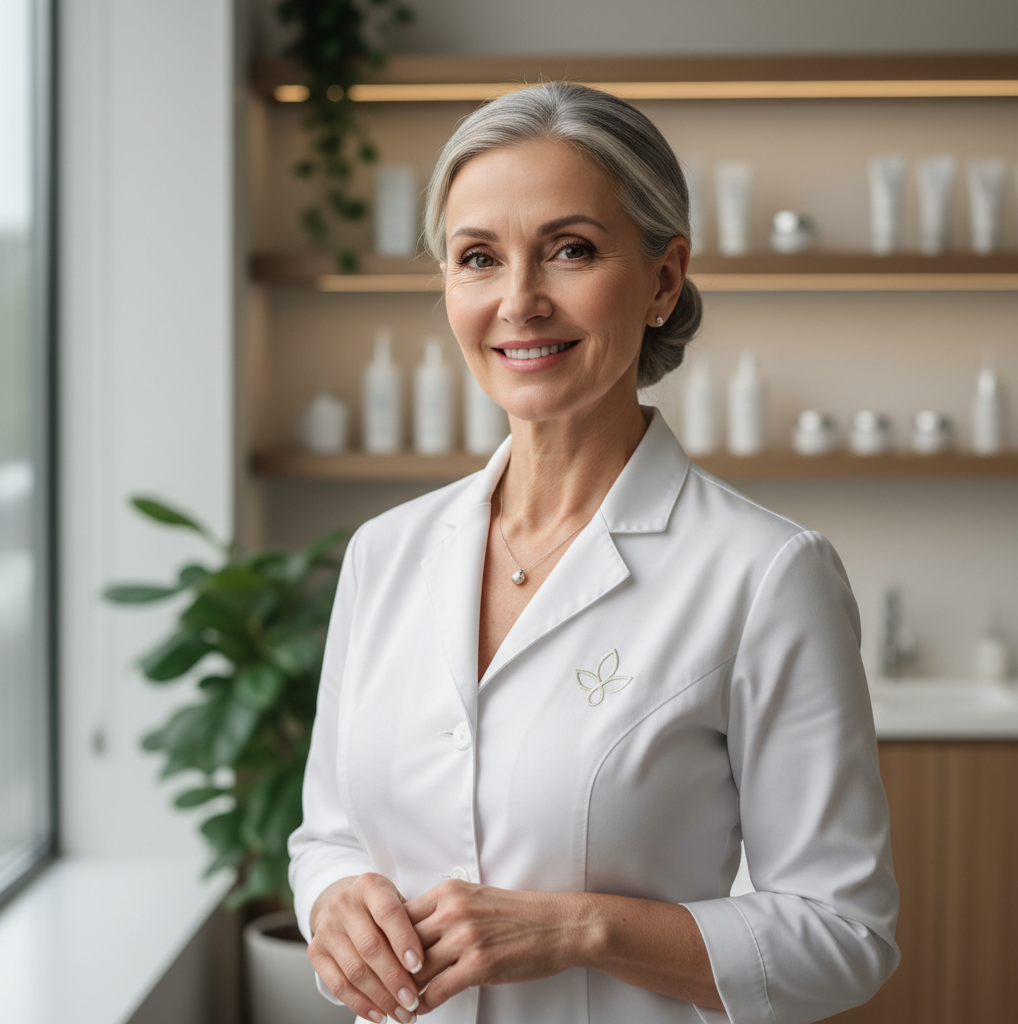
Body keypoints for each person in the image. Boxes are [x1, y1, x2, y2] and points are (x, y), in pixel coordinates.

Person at [288, 82, 899, 1024]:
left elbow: (845, 935)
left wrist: (582, 928)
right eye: (478, 258)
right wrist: (331, 897)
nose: (519, 301)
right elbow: (327, 836)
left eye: (570, 250)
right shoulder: (385, 553)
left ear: (663, 279)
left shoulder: (766, 576)